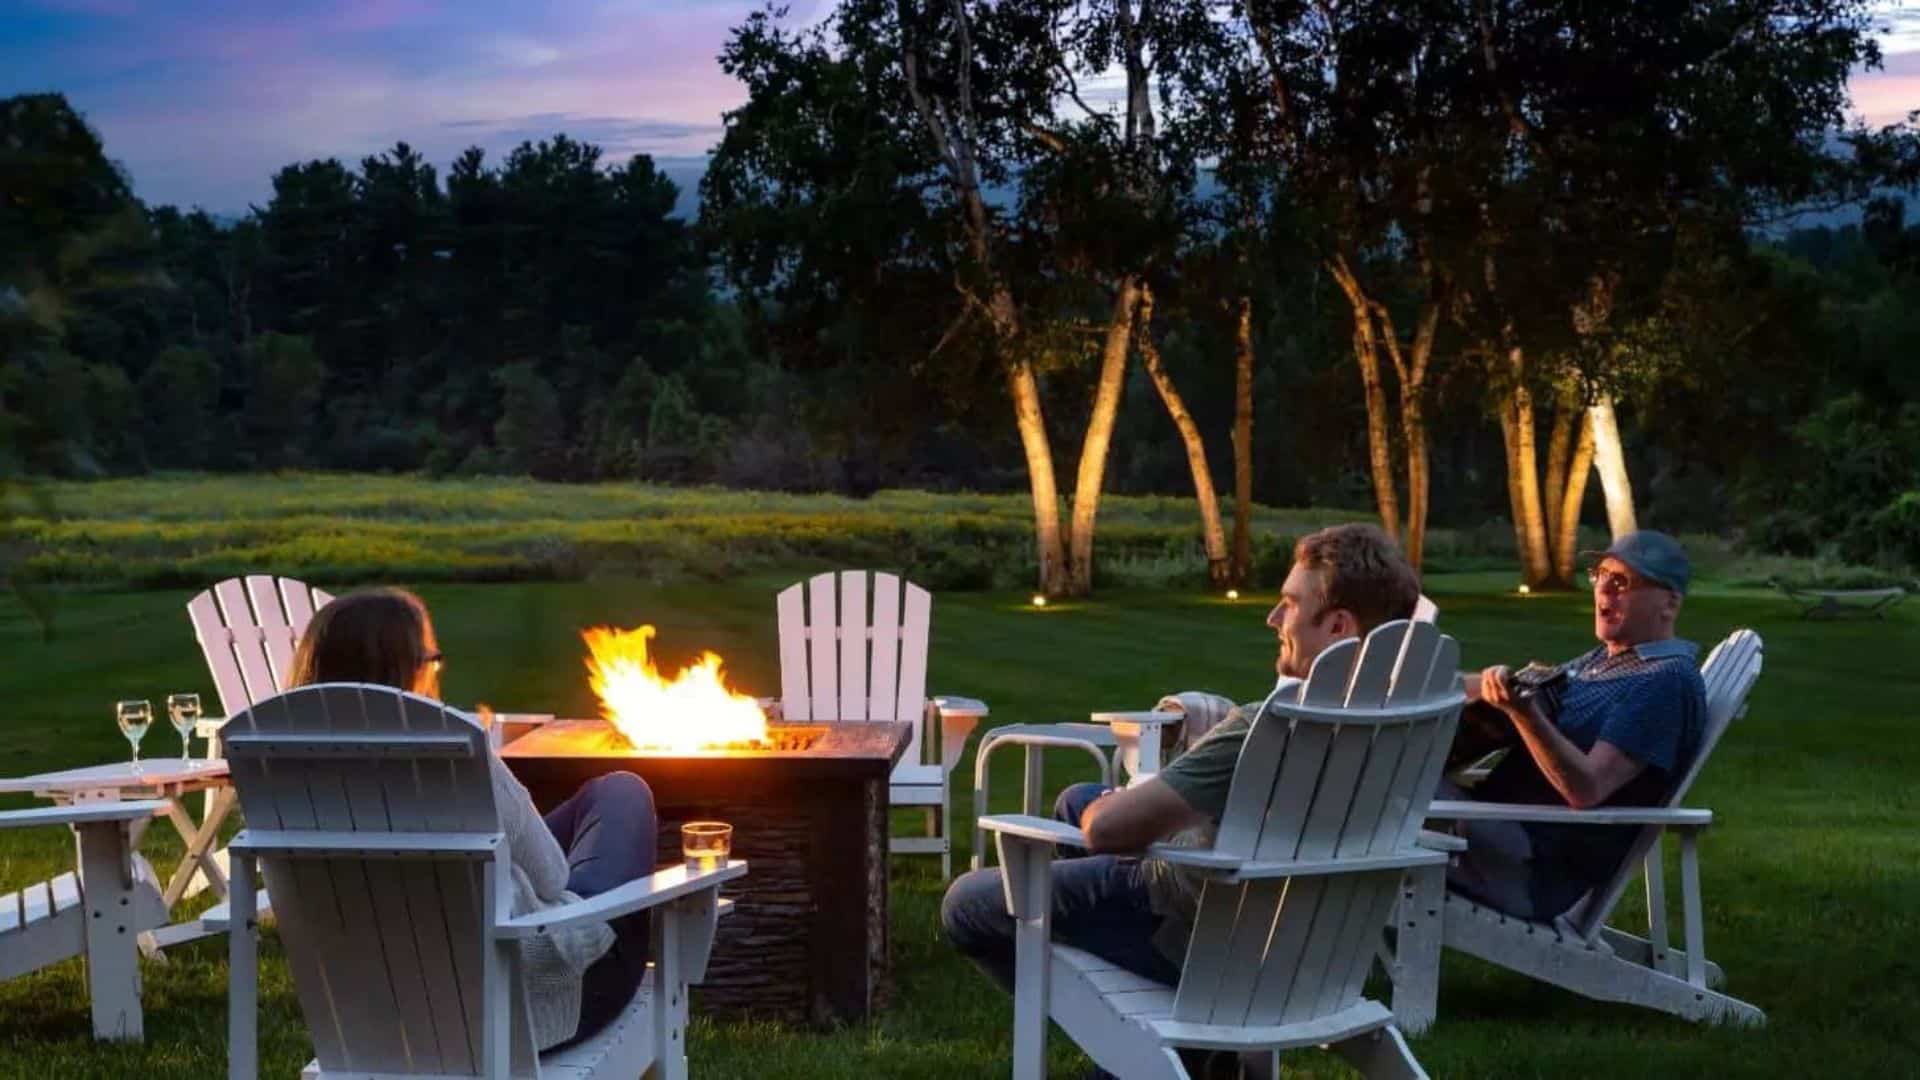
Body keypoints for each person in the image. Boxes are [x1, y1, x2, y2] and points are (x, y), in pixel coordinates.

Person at [941, 524, 1423, 994]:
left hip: (1200, 928)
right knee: (1075, 798)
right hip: (1312, 941)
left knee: (967, 902)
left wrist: (1107, 808)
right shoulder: (1407, 718)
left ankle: (1134, 1047)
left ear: (1339, 626)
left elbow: (1106, 831)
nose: (1273, 618)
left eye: (1292, 604)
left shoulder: (1269, 727)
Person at [286, 587, 658, 1052]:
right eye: (432, 658)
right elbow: (551, 875)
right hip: (526, 1005)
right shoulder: (454, 747)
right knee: (620, 791)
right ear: (407, 669)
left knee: (587, 806)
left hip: (376, 1019)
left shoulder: (287, 771)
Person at [1446, 530, 1707, 921]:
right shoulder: (1604, 659)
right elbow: (1517, 688)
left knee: (1372, 793)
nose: (1604, 592)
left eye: (1622, 582)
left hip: (1526, 866)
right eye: (1600, 575)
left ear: (1669, 602)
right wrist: (1424, 680)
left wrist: (1525, 714)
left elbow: (1588, 788)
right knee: (1376, 780)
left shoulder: (1663, 681)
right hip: (1492, 828)